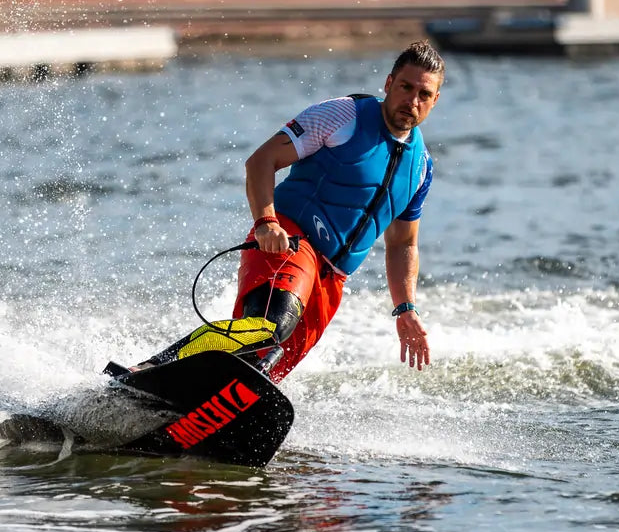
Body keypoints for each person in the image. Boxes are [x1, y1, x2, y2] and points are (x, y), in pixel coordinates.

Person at [134, 40, 444, 382]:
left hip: (332, 280)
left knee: (264, 372)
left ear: (435, 101)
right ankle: (150, 371)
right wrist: (266, 221)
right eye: (405, 87)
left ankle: (200, 417)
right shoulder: (343, 116)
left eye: (424, 94)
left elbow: (403, 244)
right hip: (289, 240)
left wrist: (405, 308)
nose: (412, 101)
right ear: (388, 84)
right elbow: (262, 161)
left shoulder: (422, 168)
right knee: (268, 327)